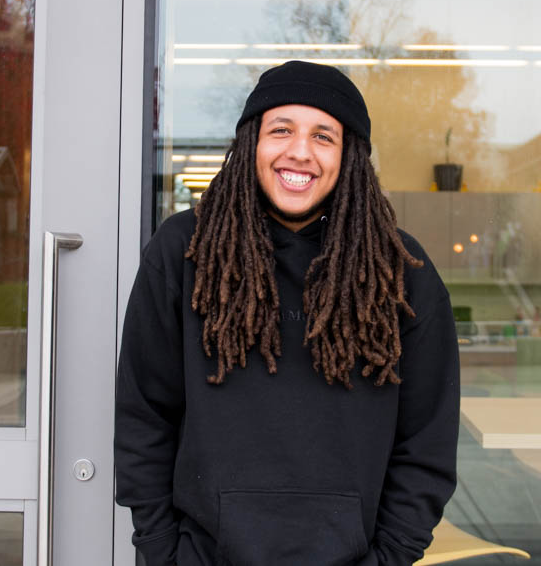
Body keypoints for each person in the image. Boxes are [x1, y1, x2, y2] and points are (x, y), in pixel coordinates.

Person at [114, 61, 460, 566]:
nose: (300, 151)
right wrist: (162, 550)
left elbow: (426, 444)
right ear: (252, 142)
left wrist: (389, 557)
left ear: (350, 157)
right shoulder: (184, 251)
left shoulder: (401, 272)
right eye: (281, 130)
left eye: (324, 136)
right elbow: (145, 415)